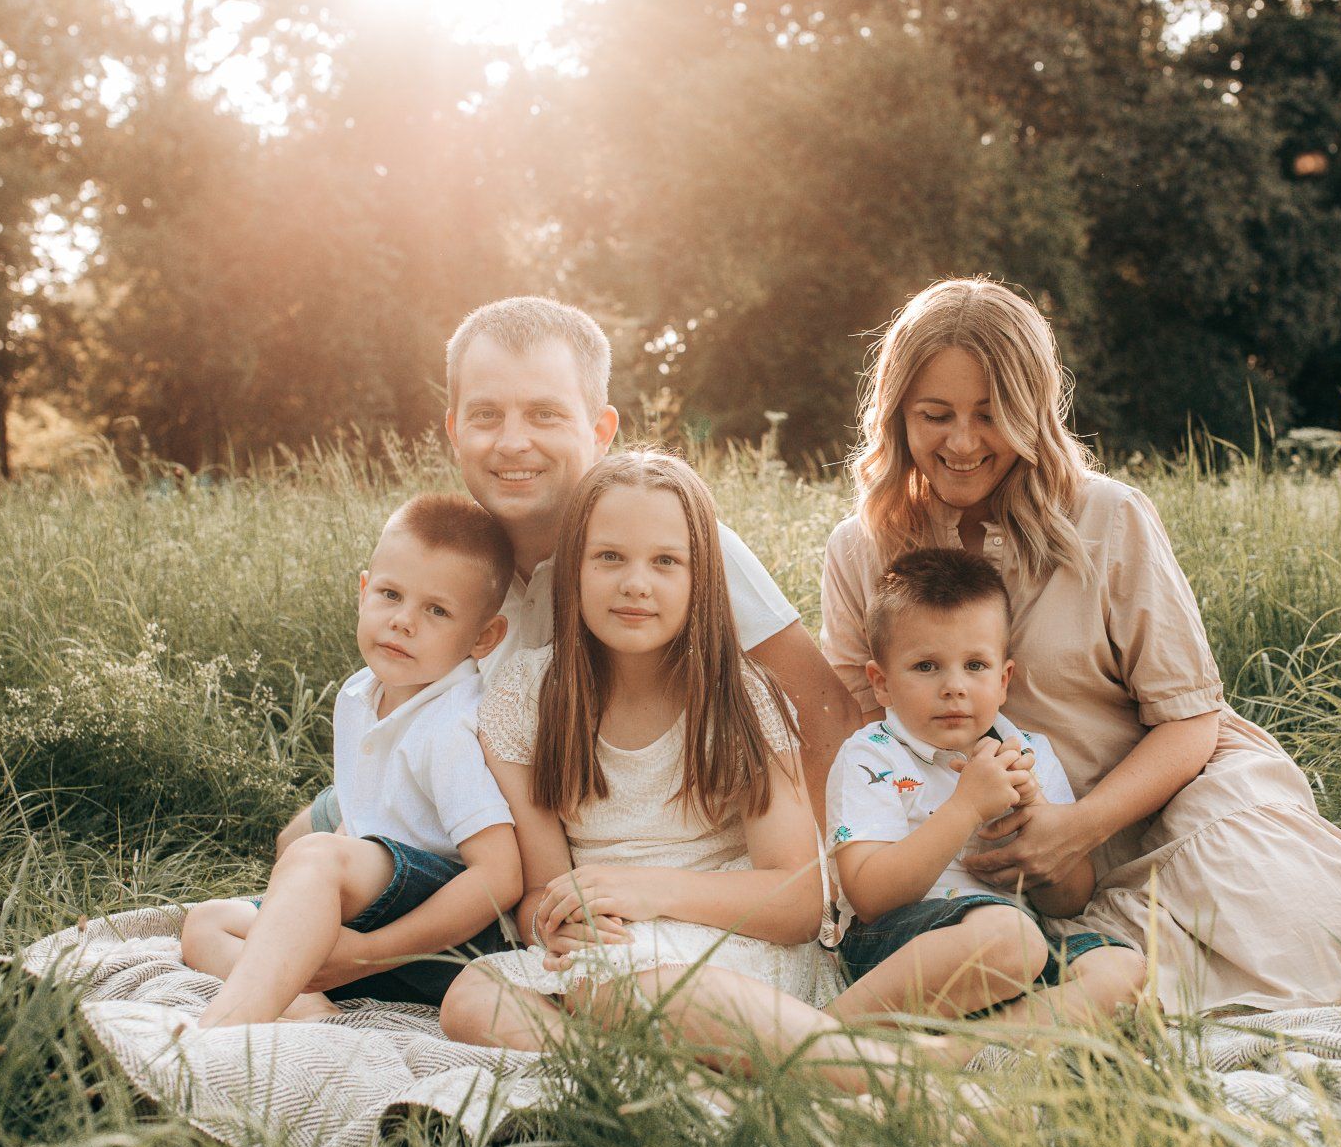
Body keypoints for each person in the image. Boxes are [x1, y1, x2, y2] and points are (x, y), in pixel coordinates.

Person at [820, 278, 1341, 1013]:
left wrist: (1075, 831)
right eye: (935, 415)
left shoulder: (1106, 517)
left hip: (1156, 809)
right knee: (1050, 961)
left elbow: (1190, 721)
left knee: (1303, 957)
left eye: (990, 416)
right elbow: (859, 725)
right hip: (976, 850)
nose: (962, 443)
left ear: (1033, 413)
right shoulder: (861, 549)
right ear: (896, 416)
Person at [277, 296, 860, 852]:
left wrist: (823, 888)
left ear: (601, 430)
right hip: (458, 808)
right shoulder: (456, 561)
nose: (512, 442)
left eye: (544, 414)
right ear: (453, 430)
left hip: (615, 836)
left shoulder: (674, 548)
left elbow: (826, 714)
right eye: (485, 416)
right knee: (297, 844)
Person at [439, 451, 934, 1091]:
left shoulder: (741, 699)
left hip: (732, 938)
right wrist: (555, 922)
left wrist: (648, 890)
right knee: (472, 997)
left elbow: (797, 900)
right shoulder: (525, 700)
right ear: (573, 571)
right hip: (609, 949)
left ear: (702, 577)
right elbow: (541, 890)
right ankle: (646, 1076)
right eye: (609, 557)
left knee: (628, 996)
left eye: (665, 562)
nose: (636, 583)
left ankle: (887, 1080)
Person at [182, 493, 522, 1025]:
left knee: (318, 854)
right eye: (390, 594)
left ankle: (220, 1028)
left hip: (446, 946)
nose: (403, 621)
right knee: (206, 925)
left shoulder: (453, 724)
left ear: (485, 637)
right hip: (369, 928)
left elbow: (499, 878)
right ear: (363, 593)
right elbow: (369, 817)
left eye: (437, 610)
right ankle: (311, 1013)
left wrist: (369, 953)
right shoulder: (357, 696)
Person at [825, 548, 1146, 1029]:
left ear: (1004, 679)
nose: (954, 687)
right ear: (882, 683)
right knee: (1010, 939)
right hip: (899, 943)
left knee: (1123, 968)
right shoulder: (872, 756)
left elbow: (1070, 901)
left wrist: (1039, 817)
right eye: (926, 666)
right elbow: (870, 895)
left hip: (1022, 943)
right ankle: (830, 1029)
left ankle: (969, 1050)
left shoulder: (1026, 752)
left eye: (975, 665)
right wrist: (966, 808)